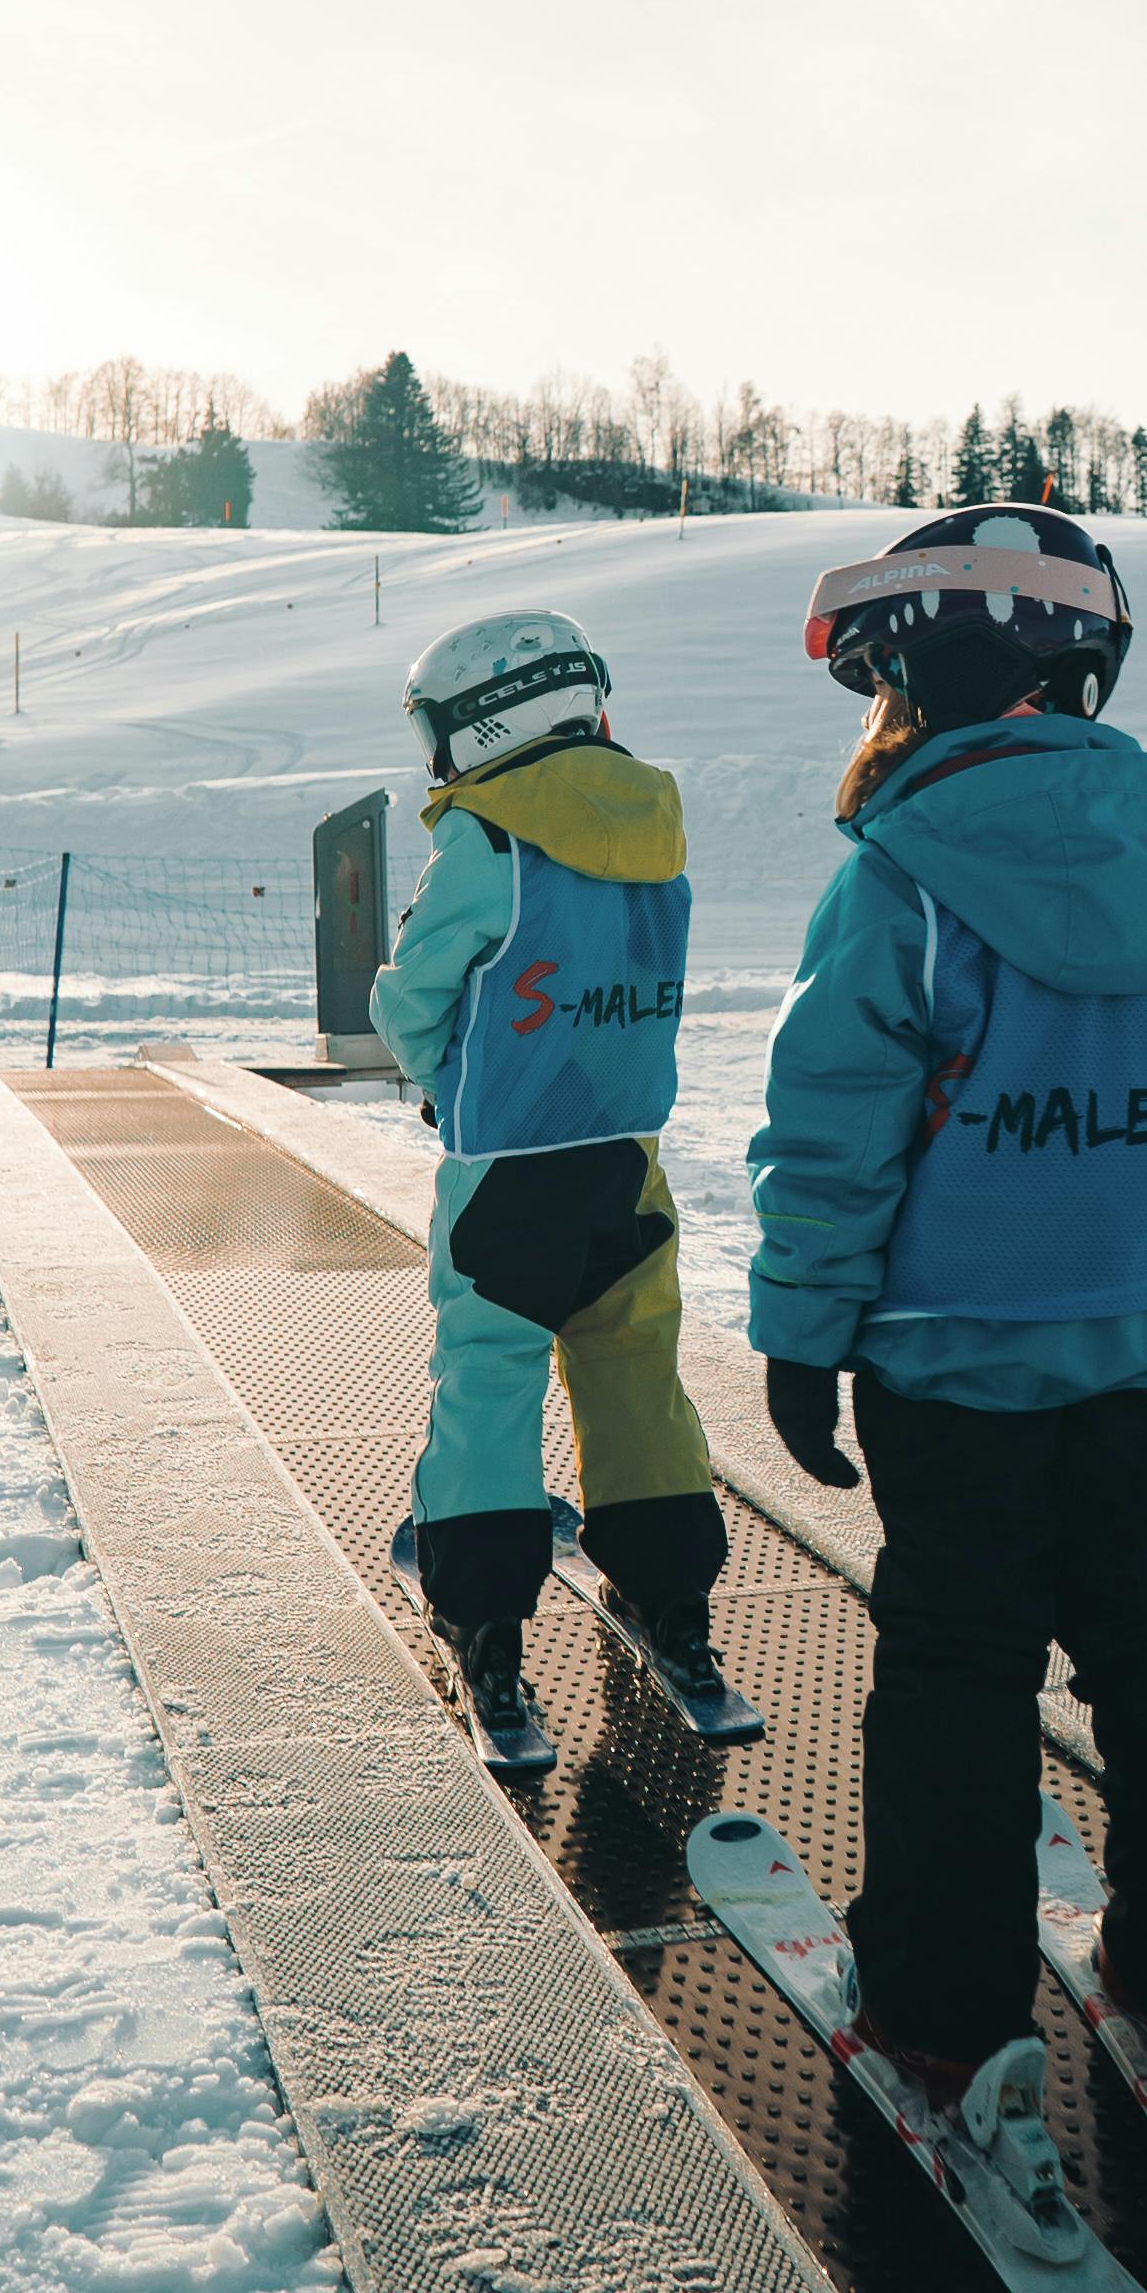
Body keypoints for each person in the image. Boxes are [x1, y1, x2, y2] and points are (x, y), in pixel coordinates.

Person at [747, 503, 1147, 2255]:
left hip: (945, 1375)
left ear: (919, 673)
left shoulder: (901, 885)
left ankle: (944, 2013)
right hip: (1145, 1364)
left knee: (955, 1678)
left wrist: (800, 1332)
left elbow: (831, 1134)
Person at [369, 608, 738, 1744]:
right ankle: (670, 1593)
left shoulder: (485, 840)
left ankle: (483, 1619)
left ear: (484, 726)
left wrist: (442, 1078)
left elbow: (411, 999)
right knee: (636, 1375)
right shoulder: (655, 830)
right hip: (627, 1164)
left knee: (488, 1379)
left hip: (508, 1177)